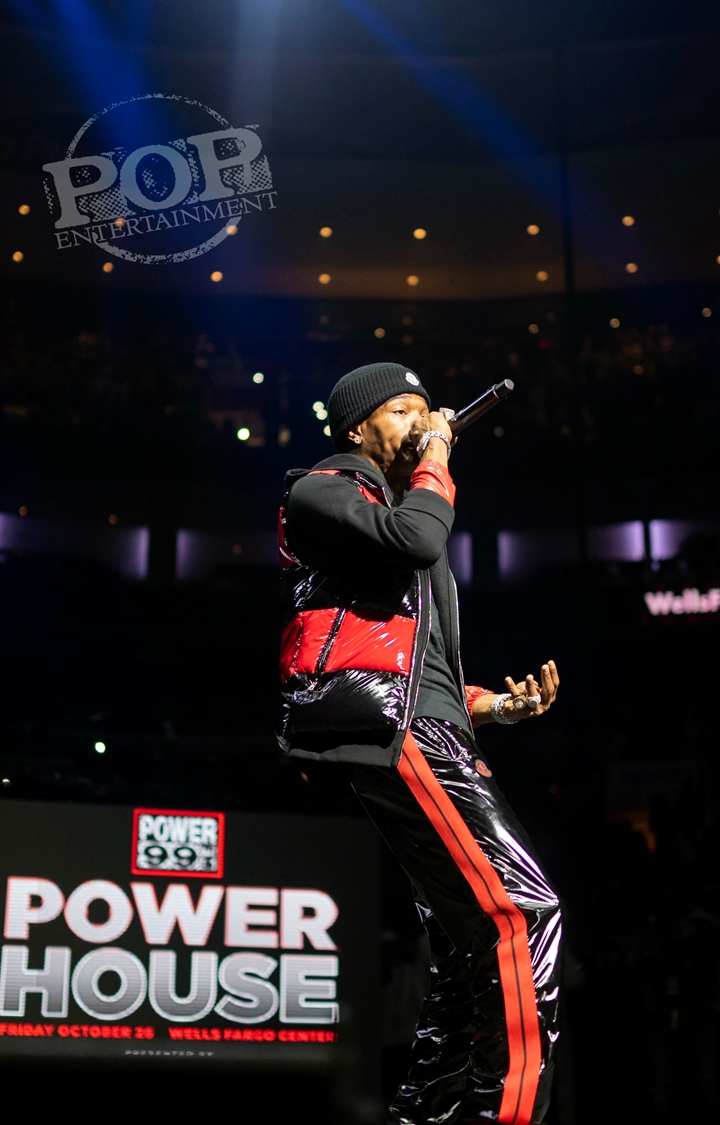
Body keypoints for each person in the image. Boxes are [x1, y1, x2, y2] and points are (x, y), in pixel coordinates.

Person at [277, 363, 563, 1125]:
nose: (419, 419)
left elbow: (414, 663)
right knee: (523, 912)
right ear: (356, 427)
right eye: (401, 409)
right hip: (400, 731)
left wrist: (494, 706)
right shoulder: (323, 491)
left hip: (428, 725)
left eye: (424, 409)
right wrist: (437, 454)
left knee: (469, 943)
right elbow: (419, 536)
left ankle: (426, 1115)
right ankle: (506, 1114)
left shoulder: (397, 515)